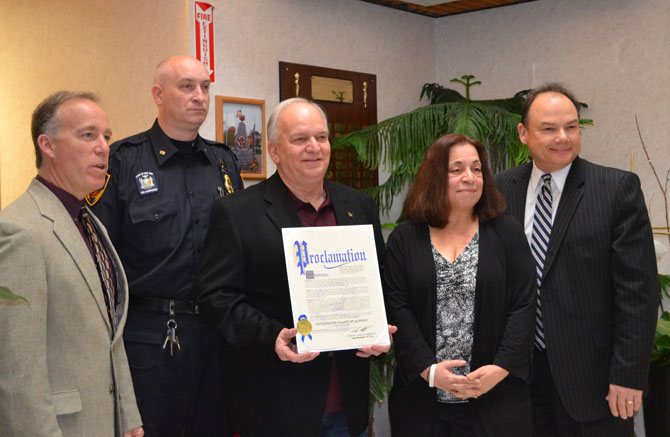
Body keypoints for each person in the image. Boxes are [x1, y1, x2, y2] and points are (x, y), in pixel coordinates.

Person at [197, 97, 395, 437]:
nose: (314, 148)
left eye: (321, 137)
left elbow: (381, 282)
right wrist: (271, 336)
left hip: (348, 409)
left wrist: (379, 330)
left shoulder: (358, 206)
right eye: (300, 139)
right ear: (274, 151)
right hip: (276, 408)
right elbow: (216, 297)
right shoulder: (237, 213)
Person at [90, 55, 243, 436]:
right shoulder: (123, 161)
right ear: (158, 94)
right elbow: (99, 261)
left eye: (205, 87)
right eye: (187, 86)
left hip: (217, 335)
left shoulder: (223, 163)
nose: (200, 97)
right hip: (150, 338)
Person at [496, 83, 658, 436]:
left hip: (596, 385)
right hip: (519, 381)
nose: (563, 137)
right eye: (549, 128)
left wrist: (628, 376)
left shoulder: (615, 189)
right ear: (523, 133)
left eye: (571, 127)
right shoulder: (499, 191)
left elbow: (638, 293)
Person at [0, 91, 143, 436]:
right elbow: (18, 372)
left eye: (106, 136)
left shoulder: (91, 223)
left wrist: (129, 418)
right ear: (47, 145)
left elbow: (111, 335)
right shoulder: (20, 230)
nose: (104, 147)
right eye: (88, 135)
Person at [384, 134, 536, 436]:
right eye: (457, 169)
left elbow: (524, 305)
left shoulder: (508, 233)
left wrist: (500, 369)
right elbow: (397, 307)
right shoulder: (405, 238)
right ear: (435, 177)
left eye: (477, 169)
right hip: (422, 402)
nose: (470, 178)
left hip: (495, 398)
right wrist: (429, 371)